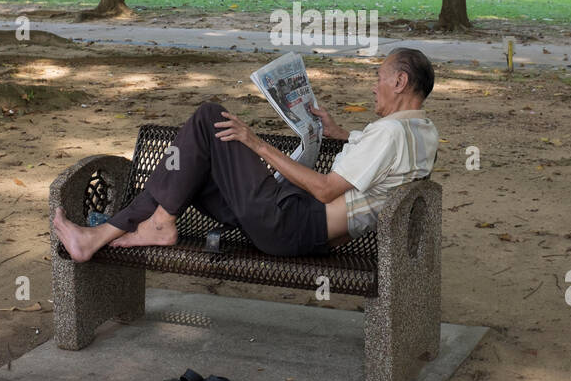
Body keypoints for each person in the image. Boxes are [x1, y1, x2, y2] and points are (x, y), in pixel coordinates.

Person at [53, 48, 439, 258]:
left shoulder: (389, 133)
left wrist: (255, 143)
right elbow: (380, 175)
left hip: (293, 222)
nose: (374, 86)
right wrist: (338, 133)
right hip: (303, 229)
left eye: (380, 77)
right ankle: (108, 233)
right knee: (192, 164)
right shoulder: (421, 132)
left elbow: (325, 190)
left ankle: (155, 223)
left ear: (400, 81)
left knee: (208, 117)